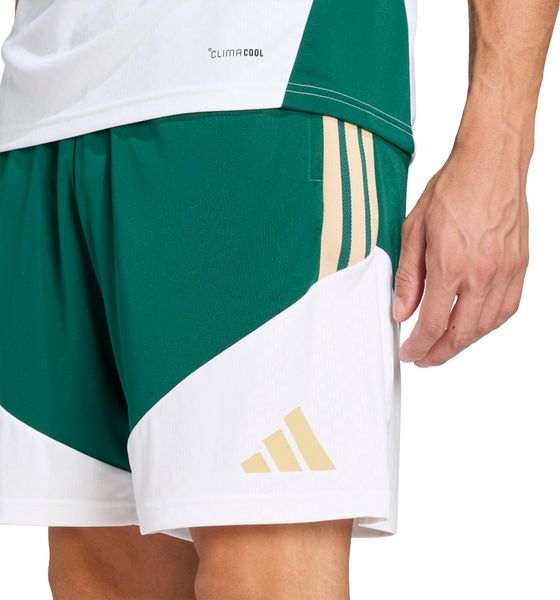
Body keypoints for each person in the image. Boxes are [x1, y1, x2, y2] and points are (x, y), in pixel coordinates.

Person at [0, 1, 557, 598]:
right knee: (100, 573)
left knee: (263, 570)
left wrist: (498, 147)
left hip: (272, 82)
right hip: (44, 105)